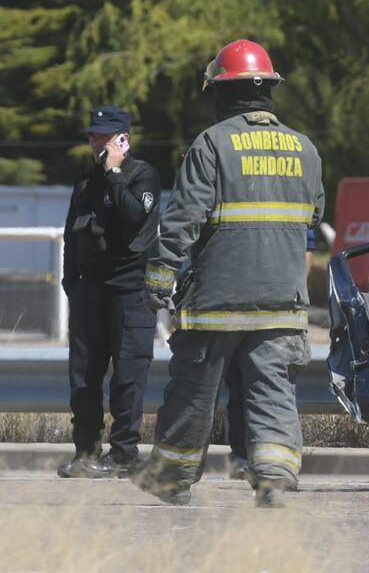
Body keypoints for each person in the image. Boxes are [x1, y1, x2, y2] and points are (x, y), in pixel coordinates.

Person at [133, 39, 325, 508]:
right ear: (268, 90)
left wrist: (159, 276)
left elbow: (184, 218)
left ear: (222, 92)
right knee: (273, 390)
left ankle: (170, 479)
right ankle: (275, 476)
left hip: (217, 301)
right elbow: (313, 217)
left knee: (194, 393)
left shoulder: (212, 144)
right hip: (283, 300)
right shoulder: (305, 149)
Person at [58, 106, 161, 478]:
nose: (96, 143)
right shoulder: (85, 180)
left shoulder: (142, 175)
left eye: (104, 136)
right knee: (83, 376)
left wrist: (114, 172)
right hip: (90, 290)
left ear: (123, 140)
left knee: (128, 375)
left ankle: (124, 455)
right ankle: (85, 452)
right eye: (92, 136)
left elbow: (134, 216)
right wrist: (72, 285)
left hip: (131, 291)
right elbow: (72, 235)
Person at [225, 228, 316, 483]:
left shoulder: (293, 195)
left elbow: (306, 250)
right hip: (239, 303)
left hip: (279, 307)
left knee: (272, 388)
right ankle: (244, 457)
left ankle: (274, 465)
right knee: (239, 385)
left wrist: (292, 294)